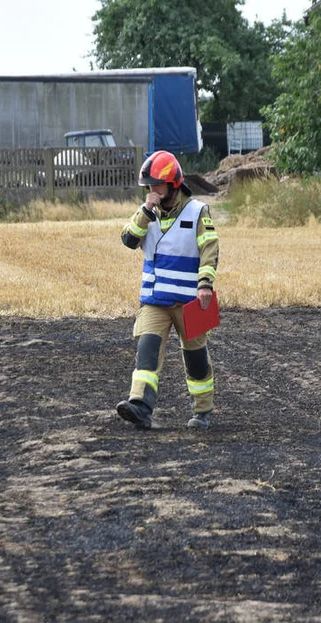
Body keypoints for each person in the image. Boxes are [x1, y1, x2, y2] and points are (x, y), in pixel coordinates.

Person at [115, 151, 220, 430]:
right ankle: (140, 407)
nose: (151, 191)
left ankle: (202, 412)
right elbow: (128, 240)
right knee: (146, 351)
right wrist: (144, 213)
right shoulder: (145, 213)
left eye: (156, 185)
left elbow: (210, 248)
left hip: (191, 302)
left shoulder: (198, 211)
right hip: (155, 300)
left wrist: (205, 284)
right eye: (148, 186)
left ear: (173, 184)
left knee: (196, 360)